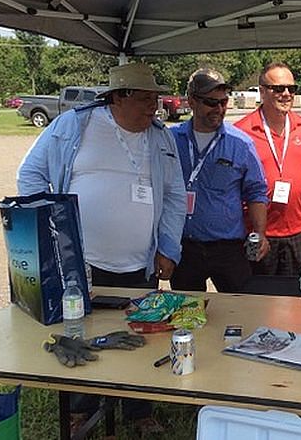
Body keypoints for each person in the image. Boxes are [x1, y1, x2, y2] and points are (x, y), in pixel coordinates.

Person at [16, 61, 186, 433]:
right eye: (144, 99)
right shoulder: (73, 126)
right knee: (82, 332)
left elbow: (174, 195)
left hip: (139, 263)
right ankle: (81, 408)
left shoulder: (161, 137)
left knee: (142, 335)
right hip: (81, 262)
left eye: (155, 99)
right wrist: (52, 232)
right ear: (118, 98)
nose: (153, 108)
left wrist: (169, 247)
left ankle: (140, 413)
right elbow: (30, 174)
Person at [170, 68, 270, 292]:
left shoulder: (241, 143)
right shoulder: (171, 140)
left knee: (240, 312)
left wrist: (260, 234)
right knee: (186, 313)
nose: (219, 109)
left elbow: (256, 192)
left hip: (228, 248)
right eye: (211, 103)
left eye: (223, 103)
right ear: (192, 102)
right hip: (185, 246)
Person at [234, 63, 301, 277]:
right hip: (259, 234)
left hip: (297, 231)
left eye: (291, 88)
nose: (286, 94)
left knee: (296, 301)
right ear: (261, 91)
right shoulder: (241, 132)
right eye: (278, 89)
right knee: (259, 302)